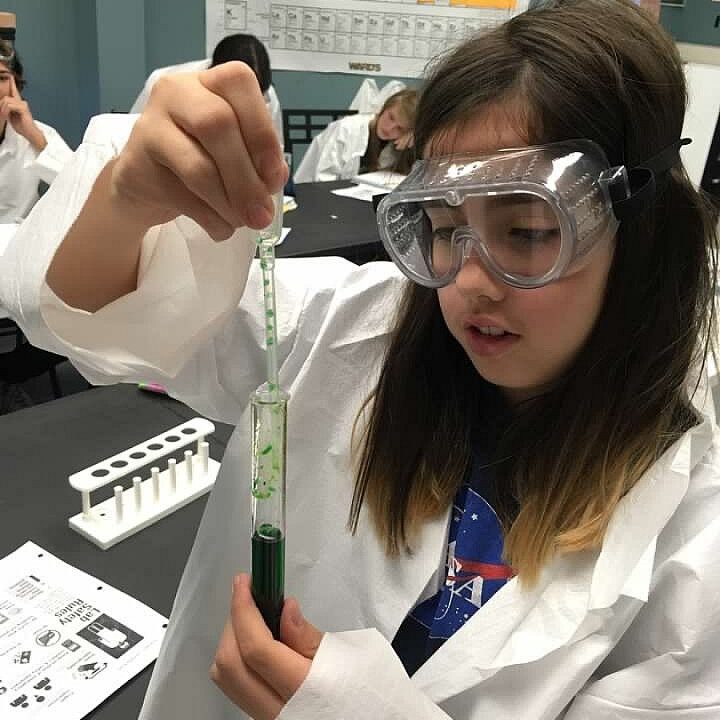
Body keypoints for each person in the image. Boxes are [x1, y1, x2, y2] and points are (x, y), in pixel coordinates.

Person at [2, 0, 720, 717]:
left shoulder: (695, 521)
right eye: (441, 227)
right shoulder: (355, 332)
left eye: (527, 231)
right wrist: (129, 200)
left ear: (638, 227)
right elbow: (102, 315)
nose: (467, 281)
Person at [130, 33, 283, 144]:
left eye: (257, 95)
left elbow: (275, 149)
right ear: (214, 74)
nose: (247, 104)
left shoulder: (267, 96)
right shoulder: (165, 82)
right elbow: (130, 135)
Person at [0, 39, 72, 223]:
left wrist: (32, 134)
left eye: (1, 78)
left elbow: (80, 188)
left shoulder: (36, 134)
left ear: (14, 85)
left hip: (16, 245)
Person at [294, 88, 417, 183]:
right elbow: (323, 178)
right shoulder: (346, 129)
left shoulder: (399, 144)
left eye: (400, 128)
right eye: (391, 117)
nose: (390, 128)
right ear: (384, 108)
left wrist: (414, 143)